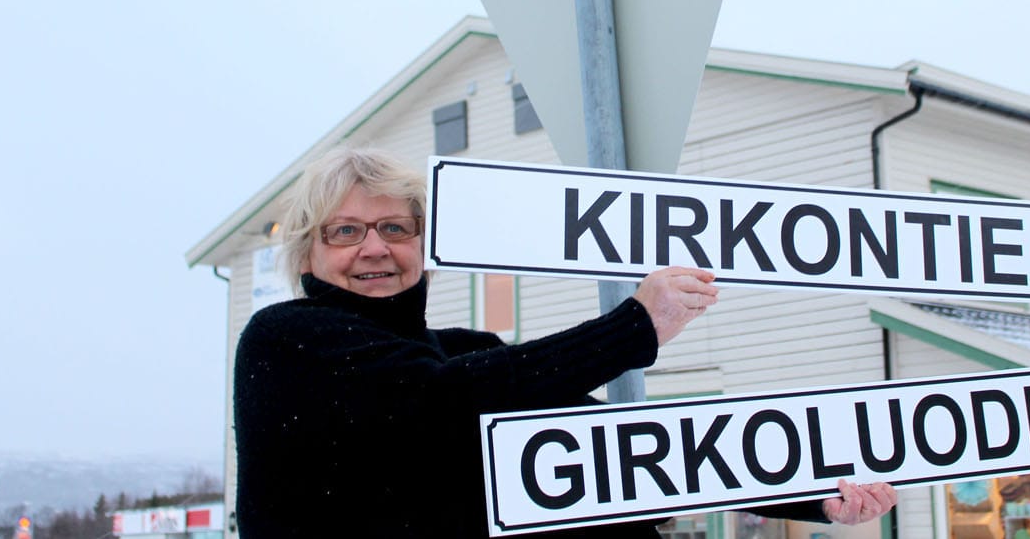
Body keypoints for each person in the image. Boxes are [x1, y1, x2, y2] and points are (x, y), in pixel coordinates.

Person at [233, 146, 896, 537]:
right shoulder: (287, 341)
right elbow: (435, 402)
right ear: (308, 254)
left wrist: (808, 493)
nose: (375, 247)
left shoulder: (467, 350)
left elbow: (624, 451)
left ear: (424, 246)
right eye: (346, 232)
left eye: (394, 228)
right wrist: (635, 326)